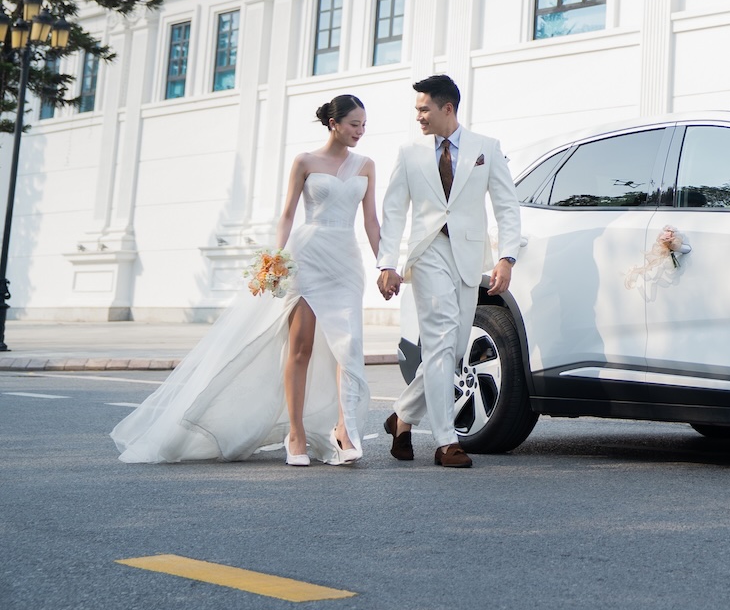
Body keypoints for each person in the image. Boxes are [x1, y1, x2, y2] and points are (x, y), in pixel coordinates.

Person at [112, 94, 380, 466]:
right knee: (300, 348)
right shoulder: (305, 161)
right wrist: (276, 258)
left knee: (347, 349)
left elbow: (371, 221)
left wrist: (386, 265)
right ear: (334, 124)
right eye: (354, 124)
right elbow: (287, 215)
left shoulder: (366, 166)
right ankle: (296, 434)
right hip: (308, 258)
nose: (360, 131)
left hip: (346, 263)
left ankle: (344, 430)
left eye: (364, 125)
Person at [376, 74, 522, 468]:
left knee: (454, 350)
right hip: (427, 252)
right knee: (440, 339)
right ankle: (446, 441)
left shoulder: (486, 148)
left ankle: (402, 417)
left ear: (447, 108)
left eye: (424, 109)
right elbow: (394, 211)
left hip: (469, 255)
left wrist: (506, 257)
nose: (418, 117)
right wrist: (387, 263)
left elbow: (506, 206)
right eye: (417, 110)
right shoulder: (409, 153)